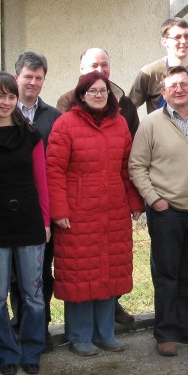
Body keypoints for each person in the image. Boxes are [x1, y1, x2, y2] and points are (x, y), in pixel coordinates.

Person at [46, 71, 144, 356]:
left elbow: (128, 167)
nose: (99, 95)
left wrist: (134, 201)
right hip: (77, 213)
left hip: (113, 210)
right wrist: (59, 210)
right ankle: (79, 335)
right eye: (93, 91)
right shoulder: (65, 124)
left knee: (109, 270)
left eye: (103, 91)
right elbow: (54, 171)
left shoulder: (120, 125)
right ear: (81, 95)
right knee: (79, 273)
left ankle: (106, 332)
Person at [128, 66, 188, 357]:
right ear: (164, 92)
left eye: (184, 84)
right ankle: (166, 332)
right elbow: (137, 166)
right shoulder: (151, 123)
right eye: (172, 86)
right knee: (167, 275)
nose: (179, 89)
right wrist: (153, 199)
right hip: (166, 210)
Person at [0, 73, 50, 375]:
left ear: (17, 100)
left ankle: (31, 348)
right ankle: (4, 351)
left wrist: (45, 220)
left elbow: (41, 182)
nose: (5, 102)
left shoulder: (30, 136)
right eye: (0, 95)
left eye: (11, 96)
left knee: (32, 294)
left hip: (29, 221)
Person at [12, 51, 62, 347]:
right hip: (10, 205)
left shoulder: (53, 117)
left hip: (43, 207)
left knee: (42, 272)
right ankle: (18, 327)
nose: (33, 82)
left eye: (38, 77)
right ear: (17, 76)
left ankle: (39, 329)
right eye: (28, 77)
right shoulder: (3, 111)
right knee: (15, 276)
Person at [128, 17, 188, 114]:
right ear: (164, 41)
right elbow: (128, 109)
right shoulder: (150, 72)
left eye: (186, 36)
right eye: (177, 37)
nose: (183, 41)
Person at [56, 48, 139, 136]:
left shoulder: (126, 104)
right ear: (82, 68)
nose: (99, 70)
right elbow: (61, 139)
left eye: (104, 65)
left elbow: (134, 143)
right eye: (94, 65)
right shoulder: (67, 101)